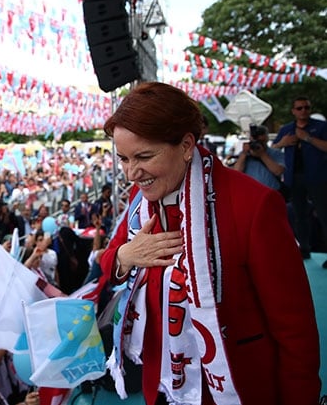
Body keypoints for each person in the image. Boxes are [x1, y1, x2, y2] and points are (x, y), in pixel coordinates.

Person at [98, 82, 320, 405]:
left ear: (187, 145)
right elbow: (108, 264)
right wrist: (126, 255)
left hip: (234, 390)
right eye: (123, 159)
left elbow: (295, 331)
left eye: (144, 156)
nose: (132, 173)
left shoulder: (254, 205)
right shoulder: (139, 200)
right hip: (159, 386)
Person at [272, 96, 327, 264]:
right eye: (299, 108)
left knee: (324, 215)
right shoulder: (287, 129)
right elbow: (272, 148)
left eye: (306, 107)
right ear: (293, 111)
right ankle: (304, 248)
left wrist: (307, 138)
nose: (303, 111)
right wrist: (284, 142)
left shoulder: (321, 127)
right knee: (299, 214)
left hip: (318, 177)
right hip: (294, 177)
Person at [231, 124, 285, 190]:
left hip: (271, 192)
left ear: (266, 138)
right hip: (251, 192)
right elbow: (236, 172)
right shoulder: (245, 154)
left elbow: (278, 171)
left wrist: (262, 155)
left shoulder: (275, 153)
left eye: (261, 141)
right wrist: (244, 154)